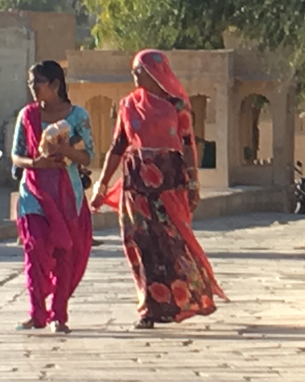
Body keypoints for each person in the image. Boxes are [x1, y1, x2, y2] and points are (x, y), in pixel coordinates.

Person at [91, 49, 227, 329]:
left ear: (154, 72)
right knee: (140, 244)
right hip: (136, 185)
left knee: (172, 241)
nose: (134, 75)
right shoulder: (128, 105)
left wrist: (193, 182)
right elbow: (117, 147)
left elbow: (188, 145)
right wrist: (102, 184)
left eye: (138, 70)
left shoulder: (177, 107)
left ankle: (190, 296)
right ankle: (149, 308)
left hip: (168, 182)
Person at [11, 61, 94, 334]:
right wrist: (36, 164)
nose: (32, 88)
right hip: (33, 191)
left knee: (64, 251)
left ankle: (59, 315)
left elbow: (89, 156)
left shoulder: (77, 116)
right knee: (34, 248)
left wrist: (67, 151)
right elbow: (16, 155)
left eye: (38, 82)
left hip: (66, 192)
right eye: (30, 82)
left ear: (55, 85)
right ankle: (36, 314)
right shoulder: (27, 115)